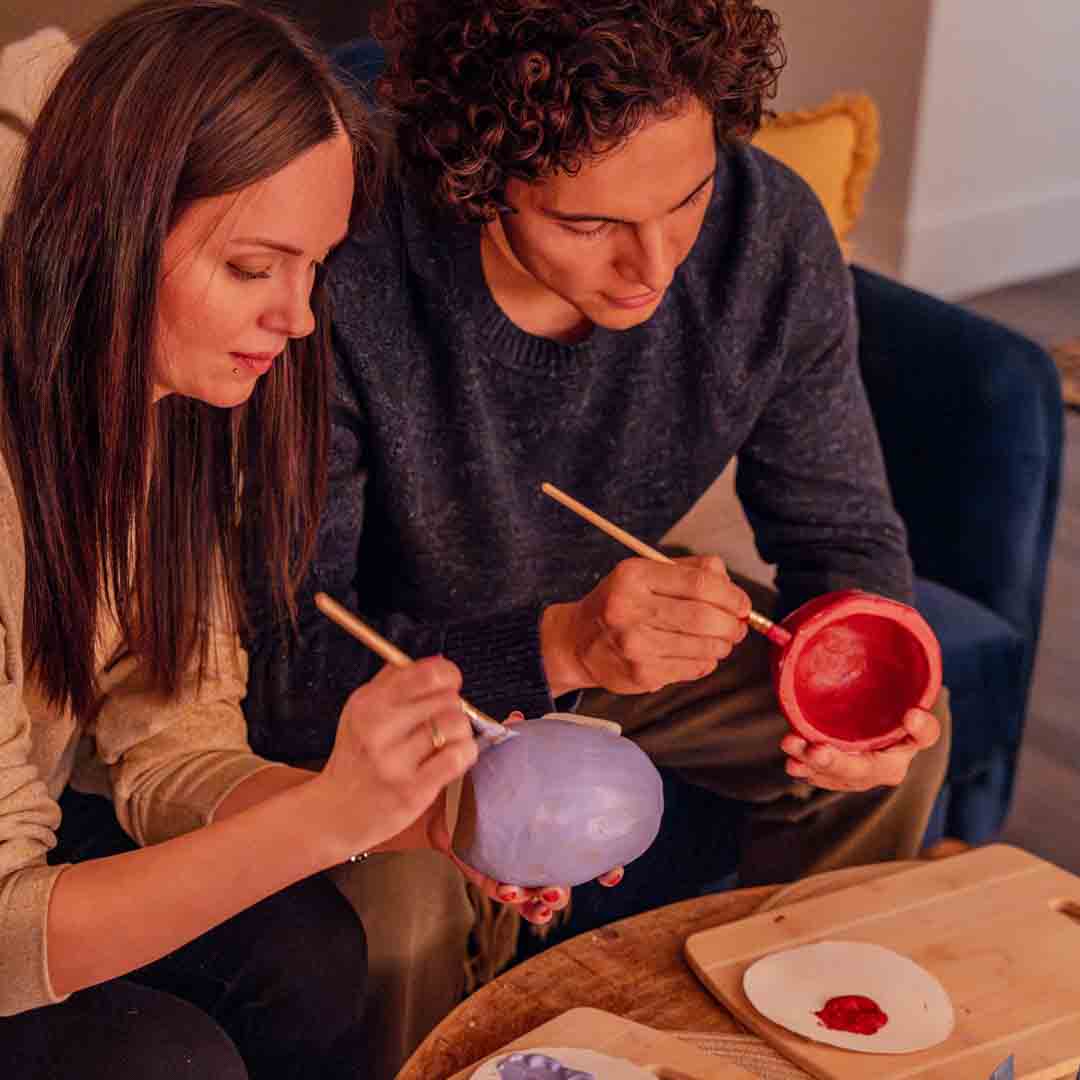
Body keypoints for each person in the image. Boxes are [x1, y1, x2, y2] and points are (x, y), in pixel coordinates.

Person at [243, 0, 950, 1075]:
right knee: (398, 916)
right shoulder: (345, 263)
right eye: (588, 225)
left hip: (604, 647)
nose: (653, 265)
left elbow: (842, 531)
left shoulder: (766, 234)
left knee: (906, 735)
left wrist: (863, 689)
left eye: (687, 198)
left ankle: (781, 1047)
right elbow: (286, 673)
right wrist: (561, 646)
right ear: (478, 180)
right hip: (392, 686)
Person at [0, 1, 512, 1076]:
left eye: (312, 265)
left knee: (311, 953)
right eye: (252, 268)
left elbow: (172, 741)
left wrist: (406, 818)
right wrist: (323, 821)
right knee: (169, 1064)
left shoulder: (174, 405)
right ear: (108, 226)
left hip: (21, 832)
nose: (300, 317)